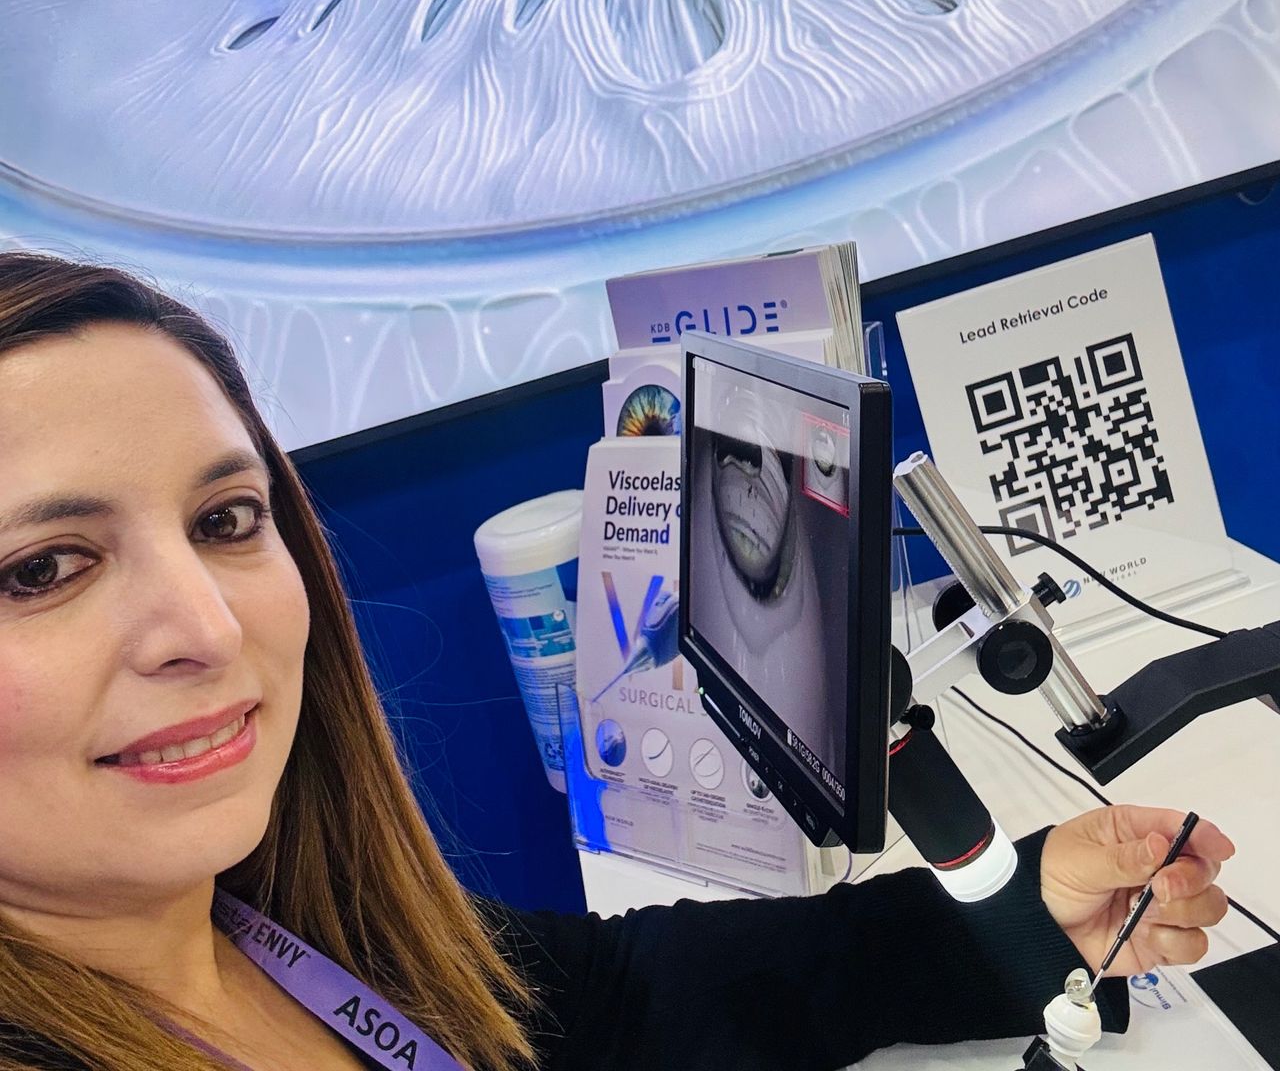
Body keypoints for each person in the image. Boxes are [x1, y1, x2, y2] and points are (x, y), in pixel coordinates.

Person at [0, 251, 1233, 1071]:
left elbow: (616, 1000)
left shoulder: (287, 925)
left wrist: (1015, 918)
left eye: (226, 518)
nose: (209, 627)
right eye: (41, 568)